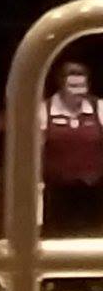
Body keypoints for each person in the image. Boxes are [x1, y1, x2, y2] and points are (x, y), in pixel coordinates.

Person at [43, 60, 103, 232]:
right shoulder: (44, 111)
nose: (80, 92)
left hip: (94, 191)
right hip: (58, 193)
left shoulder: (98, 107)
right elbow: (34, 154)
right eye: (73, 86)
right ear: (61, 86)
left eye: (83, 86)